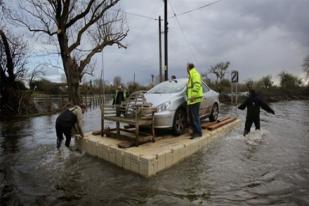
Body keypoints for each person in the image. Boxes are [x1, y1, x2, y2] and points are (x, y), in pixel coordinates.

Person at [186, 63, 203, 139]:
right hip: (192, 100)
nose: (186, 69)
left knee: (195, 116)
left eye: (187, 68)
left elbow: (196, 85)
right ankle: (195, 132)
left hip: (195, 99)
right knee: (193, 117)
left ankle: (198, 132)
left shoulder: (195, 74)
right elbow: (189, 88)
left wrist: (193, 96)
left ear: (189, 67)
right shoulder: (191, 75)